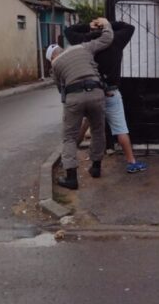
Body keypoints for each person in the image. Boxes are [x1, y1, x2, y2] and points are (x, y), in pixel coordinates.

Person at [64, 19, 147, 175]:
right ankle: (131, 162)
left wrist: (89, 25)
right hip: (111, 91)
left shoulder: (85, 41)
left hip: (92, 91)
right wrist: (107, 23)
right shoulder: (116, 39)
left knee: (93, 125)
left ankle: (82, 154)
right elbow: (130, 27)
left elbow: (68, 31)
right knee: (120, 128)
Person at [48, 17, 114, 190]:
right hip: (96, 92)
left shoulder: (55, 66)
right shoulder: (83, 47)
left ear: (52, 58)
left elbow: (60, 90)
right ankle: (96, 168)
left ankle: (71, 178)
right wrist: (106, 24)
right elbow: (107, 39)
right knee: (98, 130)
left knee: (69, 137)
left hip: (74, 97)